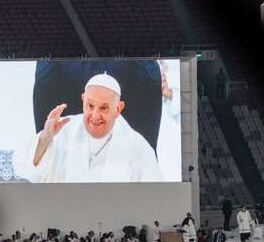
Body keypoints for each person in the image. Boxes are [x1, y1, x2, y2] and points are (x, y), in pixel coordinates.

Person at [12, 73, 163, 183]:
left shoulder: (138, 147)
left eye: (104, 108)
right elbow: (24, 171)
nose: (95, 115)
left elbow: (154, 196)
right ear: (83, 100)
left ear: (118, 109)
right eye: (90, 106)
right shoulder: (62, 130)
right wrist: (45, 137)